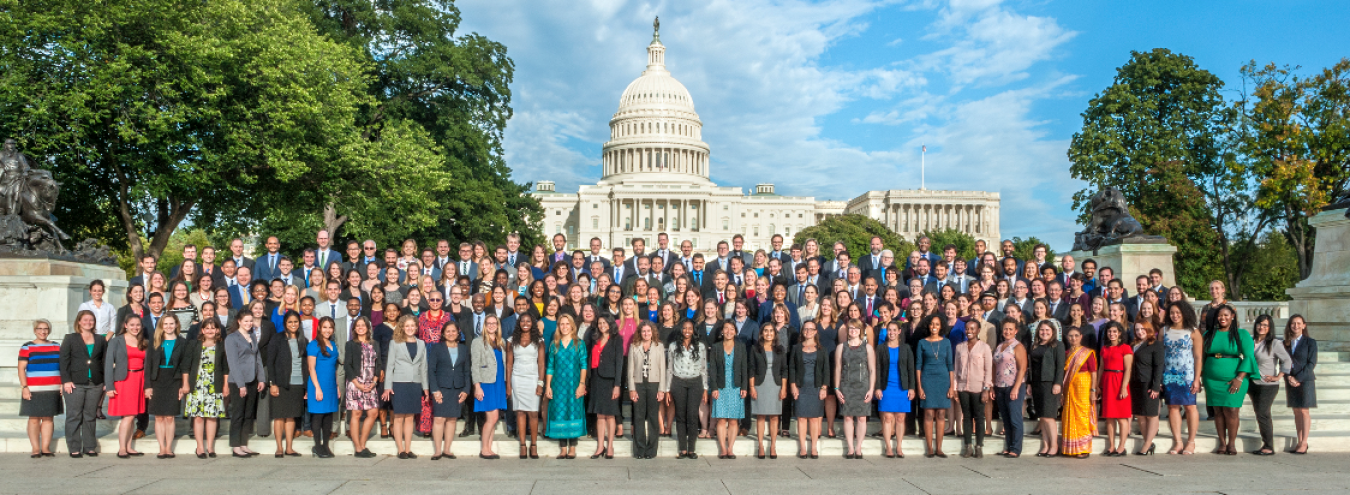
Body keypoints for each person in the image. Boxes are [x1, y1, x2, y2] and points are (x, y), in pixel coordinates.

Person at [1202, 305, 1256, 455]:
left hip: (1235, 378)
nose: (1223, 318)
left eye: (1226, 315)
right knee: (1218, 411)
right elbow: (1202, 356)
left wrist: (1239, 378)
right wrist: (1200, 376)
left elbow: (1249, 357)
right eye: (1220, 316)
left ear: (1232, 316)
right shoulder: (1208, 334)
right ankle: (1222, 442)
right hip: (1212, 379)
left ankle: (1232, 443)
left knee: (1232, 410)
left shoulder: (1242, 334)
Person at [383, 315, 428, 459]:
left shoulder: (421, 344)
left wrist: (425, 388)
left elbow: (423, 368)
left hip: (415, 384)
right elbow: (390, 366)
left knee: (410, 417)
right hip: (399, 383)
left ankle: (408, 449)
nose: (410, 328)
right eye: (407, 326)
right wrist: (387, 386)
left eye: (412, 326)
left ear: (416, 327)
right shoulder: (395, 343)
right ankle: (400, 449)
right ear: (402, 327)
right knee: (399, 417)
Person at [145, 316, 189, 459]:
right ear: (161, 325)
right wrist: (148, 386)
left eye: (171, 323)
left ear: (176, 324)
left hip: (174, 380)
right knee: (159, 416)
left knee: (170, 416)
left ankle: (169, 447)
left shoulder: (182, 342)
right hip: (157, 380)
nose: (169, 326)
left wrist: (183, 385)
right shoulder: (155, 341)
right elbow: (148, 365)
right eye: (166, 324)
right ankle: (161, 447)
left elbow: (185, 365)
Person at [1163, 302, 1204, 455]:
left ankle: (1191, 442)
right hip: (1168, 374)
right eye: (1172, 312)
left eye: (1178, 312)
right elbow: (1161, 354)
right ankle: (1178, 441)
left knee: (1190, 407)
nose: (1175, 315)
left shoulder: (1193, 332)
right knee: (1172, 407)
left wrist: (1196, 378)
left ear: (1185, 313)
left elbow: (1198, 357)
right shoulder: (1164, 331)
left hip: (1187, 375)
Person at [105, 314, 148, 458]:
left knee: (133, 415)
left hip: (139, 379)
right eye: (132, 325)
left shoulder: (144, 341)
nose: (135, 328)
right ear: (125, 325)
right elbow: (108, 364)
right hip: (124, 380)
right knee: (128, 416)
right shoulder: (116, 341)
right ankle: (122, 448)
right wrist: (109, 386)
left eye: (138, 325)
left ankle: (129, 447)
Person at [184, 319, 228, 458]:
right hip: (197, 384)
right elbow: (186, 366)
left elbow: (226, 368)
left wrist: (226, 385)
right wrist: (185, 384)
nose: (210, 331)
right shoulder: (194, 345)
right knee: (198, 417)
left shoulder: (221, 345)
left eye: (213, 328)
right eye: (207, 328)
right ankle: (200, 447)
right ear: (202, 330)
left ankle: (210, 446)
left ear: (217, 330)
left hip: (214, 384)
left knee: (212, 417)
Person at [1247, 314, 1290, 456]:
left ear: (1270, 327)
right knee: (1258, 413)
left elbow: (1287, 361)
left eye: (1265, 325)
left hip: (1267, 384)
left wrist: (1279, 376)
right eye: (1259, 324)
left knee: (1263, 413)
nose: (1261, 327)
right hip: (1251, 382)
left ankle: (1268, 446)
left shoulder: (1275, 343)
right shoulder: (1250, 340)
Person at [265, 311, 306, 457]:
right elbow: (270, 362)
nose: (293, 324)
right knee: (279, 416)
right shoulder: (277, 338)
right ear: (285, 324)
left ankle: (289, 447)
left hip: (297, 383)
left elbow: (305, 364)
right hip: (281, 383)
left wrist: (305, 386)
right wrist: (272, 383)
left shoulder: (303, 340)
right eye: (290, 322)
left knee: (291, 416)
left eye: (295, 322)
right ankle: (279, 448)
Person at [426, 321, 469, 460]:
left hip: (457, 388)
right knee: (439, 419)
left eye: (453, 331)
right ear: (443, 333)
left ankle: (447, 450)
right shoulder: (437, 348)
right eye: (448, 331)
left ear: (458, 333)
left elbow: (467, 371)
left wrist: (466, 389)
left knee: (452, 419)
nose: (451, 333)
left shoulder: (463, 349)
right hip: (441, 388)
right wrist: (435, 390)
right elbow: (431, 370)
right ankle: (437, 450)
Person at [18, 320, 61, 457]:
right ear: (35, 330)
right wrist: (24, 387)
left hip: (52, 388)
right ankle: (35, 448)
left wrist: (62, 385)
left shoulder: (56, 346)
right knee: (34, 419)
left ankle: (46, 448)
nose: (43, 331)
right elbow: (21, 369)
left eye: (46, 329)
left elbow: (63, 367)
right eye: (40, 328)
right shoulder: (27, 347)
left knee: (48, 418)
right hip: (34, 389)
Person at [666, 320, 708, 459]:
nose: (687, 330)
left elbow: (703, 369)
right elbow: (670, 368)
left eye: (690, 328)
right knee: (681, 415)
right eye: (684, 328)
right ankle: (683, 448)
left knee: (692, 415)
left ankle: (692, 449)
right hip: (678, 383)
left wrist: (705, 388)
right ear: (681, 330)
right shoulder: (673, 346)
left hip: (695, 383)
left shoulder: (700, 346)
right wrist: (667, 389)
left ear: (694, 330)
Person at [224, 313, 265, 457]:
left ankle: (243, 443)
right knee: (238, 413)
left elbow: (257, 357)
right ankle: (235, 446)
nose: (249, 323)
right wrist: (241, 385)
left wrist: (261, 378)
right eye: (246, 321)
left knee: (248, 414)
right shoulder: (232, 338)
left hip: (252, 379)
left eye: (251, 321)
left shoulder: (252, 336)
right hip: (238, 381)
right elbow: (233, 363)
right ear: (239, 321)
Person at [506, 312, 545, 459]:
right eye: (522, 321)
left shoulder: (539, 340)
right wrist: (508, 384)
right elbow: (509, 364)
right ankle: (523, 445)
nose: (525, 323)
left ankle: (533, 445)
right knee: (520, 412)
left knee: (533, 413)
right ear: (519, 323)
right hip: (517, 378)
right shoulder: (511, 340)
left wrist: (540, 383)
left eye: (528, 321)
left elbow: (541, 364)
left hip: (533, 378)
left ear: (532, 323)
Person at [628, 321, 668, 459]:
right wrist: (632, 389)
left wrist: (662, 389)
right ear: (640, 332)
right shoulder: (634, 346)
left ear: (653, 332)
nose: (646, 333)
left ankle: (651, 449)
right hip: (639, 383)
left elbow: (663, 369)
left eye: (648, 331)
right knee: (638, 416)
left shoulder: (659, 346)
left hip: (654, 384)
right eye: (644, 331)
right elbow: (630, 369)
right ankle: (639, 449)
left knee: (652, 417)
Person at [345, 316, 383, 458]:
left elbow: (378, 364)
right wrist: (357, 384)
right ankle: (358, 448)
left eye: (363, 325)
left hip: (371, 383)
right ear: (354, 328)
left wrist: (374, 382)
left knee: (373, 413)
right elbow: (348, 365)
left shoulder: (375, 344)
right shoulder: (350, 344)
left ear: (368, 328)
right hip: (356, 383)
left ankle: (362, 444)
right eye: (358, 325)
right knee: (357, 414)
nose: (360, 327)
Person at [471, 314, 508, 459]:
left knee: (495, 417)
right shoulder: (478, 342)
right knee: (491, 418)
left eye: (494, 323)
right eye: (489, 323)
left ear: (498, 325)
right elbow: (474, 365)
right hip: (485, 383)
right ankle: (484, 449)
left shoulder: (502, 342)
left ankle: (489, 448)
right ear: (484, 325)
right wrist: (477, 386)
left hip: (498, 382)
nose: (491, 325)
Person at [915, 315, 953, 458]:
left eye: (937, 324)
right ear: (928, 326)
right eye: (931, 324)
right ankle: (930, 448)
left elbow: (950, 365)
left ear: (941, 326)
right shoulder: (922, 343)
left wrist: (951, 387)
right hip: (927, 380)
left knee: (941, 414)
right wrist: (919, 387)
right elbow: (918, 366)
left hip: (943, 380)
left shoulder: (947, 342)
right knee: (929, 413)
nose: (934, 326)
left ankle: (939, 448)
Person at [876, 321, 915, 458]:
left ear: (899, 331)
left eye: (894, 330)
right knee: (887, 417)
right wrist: (877, 387)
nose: (891, 333)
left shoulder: (906, 348)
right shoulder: (881, 348)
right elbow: (877, 369)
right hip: (886, 387)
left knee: (900, 418)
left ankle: (898, 446)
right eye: (889, 330)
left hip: (902, 387)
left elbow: (911, 369)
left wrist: (912, 388)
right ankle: (888, 447)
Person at [953, 318, 991, 458]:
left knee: (979, 417)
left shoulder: (984, 347)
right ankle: (968, 445)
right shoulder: (959, 347)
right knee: (966, 417)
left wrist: (986, 388)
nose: (969, 331)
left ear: (978, 330)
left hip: (978, 387)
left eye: (972, 329)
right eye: (967, 329)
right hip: (963, 387)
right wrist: (955, 387)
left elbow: (988, 369)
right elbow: (956, 369)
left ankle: (979, 445)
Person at [710, 321, 748, 459]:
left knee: (733, 420)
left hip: (735, 386)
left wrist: (744, 387)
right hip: (720, 387)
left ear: (735, 331)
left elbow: (744, 368)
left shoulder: (741, 347)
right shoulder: (716, 347)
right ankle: (722, 449)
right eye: (726, 328)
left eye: (732, 329)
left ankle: (730, 448)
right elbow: (712, 369)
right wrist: (714, 387)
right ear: (722, 331)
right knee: (721, 420)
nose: (728, 331)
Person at [588, 317, 625, 459]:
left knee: (610, 414)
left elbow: (619, 363)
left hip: (609, 381)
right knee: (599, 414)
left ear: (610, 324)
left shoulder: (617, 339)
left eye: (604, 323)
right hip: (597, 379)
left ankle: (610, 446)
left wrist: (617, 385)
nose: (602, 325)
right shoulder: (595, 338)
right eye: (600, 323)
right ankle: (600, 446)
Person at [749, 323, 787, 459]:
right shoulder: (755, 349)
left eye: (771, 331)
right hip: (760, 384)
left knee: (775, 416)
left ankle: (772, 446)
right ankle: (760, 445)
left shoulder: (780, 349)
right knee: (760, 415)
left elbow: (784, 370)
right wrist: (752, 387)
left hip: (775, 385)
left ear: (775, 334)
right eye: (766, 331)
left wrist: (783, 387)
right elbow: (751, 369)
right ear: (761, 333)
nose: (768, 333)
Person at [1059, 326, 1098, 459]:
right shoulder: (1066, 353)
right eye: (1070, 336)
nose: (1073, 338)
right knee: (1069, 415)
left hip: (1083, 387)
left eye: (1076, 335)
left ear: (1081, 337)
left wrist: (1093, 390)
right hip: (1069, 388)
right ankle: (1070, 448)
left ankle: (1084, 448)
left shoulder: (1087, 353)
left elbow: (1093, 373)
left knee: (1082, 416)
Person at [1028, 320, 1065, 457]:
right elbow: (1031, 367)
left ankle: (1054, 446)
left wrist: (1057, 383)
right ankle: (1045, 445)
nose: (1044, 332)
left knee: (1049, 416)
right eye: (1042, 330)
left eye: (1047, 330)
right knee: (1042, 417)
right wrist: (1029, 383)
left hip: (1050, 384)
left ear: (1053, 332)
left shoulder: (1057, 345)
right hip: (1037, 383)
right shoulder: (1035, 346)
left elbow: (1060, 366)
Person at [306, 317, 340, 458]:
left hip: (331, 384)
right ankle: (317, 446)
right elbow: (311, 368)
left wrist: (337, 385)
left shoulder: (333, 344)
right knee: (318, 416)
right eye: (325, 327)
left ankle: (325, 445)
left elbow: (335, 367)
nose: (327, 330)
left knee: (328, 417)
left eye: (330, 327)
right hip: (318, 384)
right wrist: (317, 388)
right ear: (319, 328)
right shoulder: (313, 345)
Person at [1130, 321, 1165, 456]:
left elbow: (1158, 366)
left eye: (1142, 329)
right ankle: (1148, 442)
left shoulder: (1156, 345)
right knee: (1140, 414)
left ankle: (1146, 444)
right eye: (1137, 329)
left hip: (1149, 383)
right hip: (1135, 382)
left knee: (1151, 414)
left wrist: (1156, 386)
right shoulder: (1133, 345)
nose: (1140, 332)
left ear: (1148, 329)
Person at [992, 320, 1027, 458]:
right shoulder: (1000, 345)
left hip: (1013, 385)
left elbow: (1022, 368)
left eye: (1010, 329)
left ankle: (1016, 448)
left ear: (1016, 331)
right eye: (1005, 329)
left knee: (1015, 418)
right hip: (1000, 385)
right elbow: (995, 365)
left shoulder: (1017, 346)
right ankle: (1008, 445)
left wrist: (1016, 388)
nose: (1007, 331)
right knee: (1005, 419)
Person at [1099, 321, 1133, 456]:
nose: (1111, 334)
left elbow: (1128, 368)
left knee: (1121, 417)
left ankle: (1121, 446)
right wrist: (1098, 385)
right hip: (1107, 381)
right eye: (1109, 331)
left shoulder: (1125, 348)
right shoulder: (1104, 348)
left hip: (1119, 381)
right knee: (1109, 417)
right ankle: (1111, 446)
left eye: (1114, 331)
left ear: (1119, 333)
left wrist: (1124, 387)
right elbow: (1101, 367)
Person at [1285, 314, 1316, 455]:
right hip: (1290, 380)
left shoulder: (1310, 342)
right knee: (1296, 411)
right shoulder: (1286, 343)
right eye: (1293, 323)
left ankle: (1305, 442)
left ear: (1304, 325)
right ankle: (1299, 440)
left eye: (1298, 323)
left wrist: (1298, 378)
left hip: (1305, 380)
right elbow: (1283, 362)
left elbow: (1311, 363)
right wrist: (1289, 377)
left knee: (1304, 411)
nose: (1295, 326)